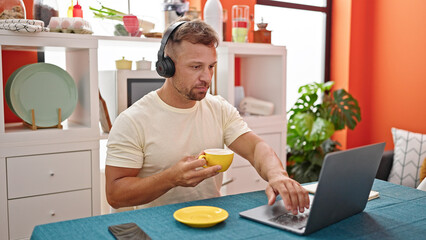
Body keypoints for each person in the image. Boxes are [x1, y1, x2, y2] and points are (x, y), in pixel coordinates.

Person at [105, 18, 310, 215]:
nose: (206, 77)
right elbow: (115, 194)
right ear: (166, 67)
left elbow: (256, 148)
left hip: (211, 219)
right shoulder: (132, 120)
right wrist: (171, 178)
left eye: (211, 66)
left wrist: (277, 175)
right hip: (155, 226)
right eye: (196, 67)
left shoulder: (218, 108)